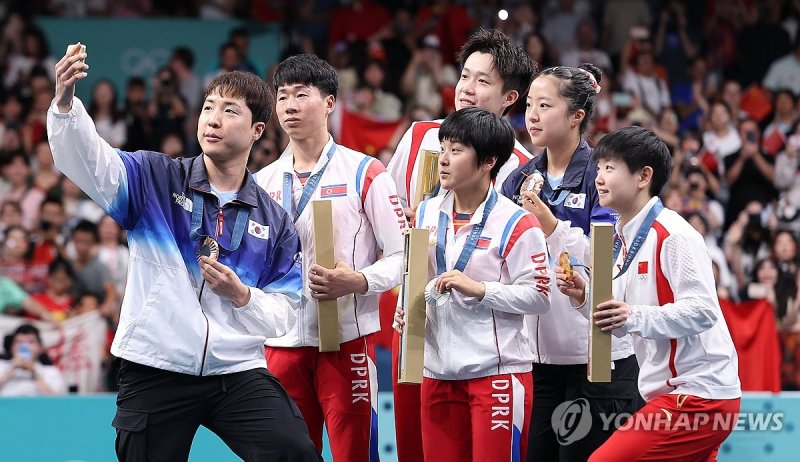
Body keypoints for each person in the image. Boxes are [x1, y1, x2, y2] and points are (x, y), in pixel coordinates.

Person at [47, 43, 320, 461]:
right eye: (209, 107)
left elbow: (285, 312)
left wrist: (242, 297)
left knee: (294, 451)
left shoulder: (275, 220)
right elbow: (90, 161)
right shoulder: (155, 178)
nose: (213, 118)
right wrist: (66, 105)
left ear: (257, 131)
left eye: (230, 111)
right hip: (156, 365)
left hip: (236, 370)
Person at [387, 28, 537, 461]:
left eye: (483, 81)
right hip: (418, 315)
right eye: (464, 76)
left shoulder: (522, 168)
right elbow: (391, 215)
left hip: (485, 336)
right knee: (416, 441)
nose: (468, 89)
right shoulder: (418, 137)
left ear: (510, 97)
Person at [254, 53, 406, 462]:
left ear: (329, 103)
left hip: (347, 343)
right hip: (279, 344)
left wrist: (356, 281)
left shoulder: (367, 172)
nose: (289, 105)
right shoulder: (260, 182)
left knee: (355, 454)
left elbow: (403, 257)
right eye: (282, 96)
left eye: (301, 95)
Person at [556, 126, 741, 461]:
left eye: (610, 168)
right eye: (598, 168)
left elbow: (702, 311)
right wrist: (583, 296)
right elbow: (615, 317)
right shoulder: (621, 239)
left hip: (698, 395)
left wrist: (632, 315)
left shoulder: (672, 235)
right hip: (669, 394)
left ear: (643, 176)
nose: (599, 177)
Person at [500, 64, 641, 462]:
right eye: (529, 105)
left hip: (597, 360)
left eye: (545, 105)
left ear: (577, 116)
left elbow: (611, 261)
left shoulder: (604, 175)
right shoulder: (518, 180)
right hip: (537, 362)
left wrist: (551, 225)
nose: (532, 115)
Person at [0, 324, 66, 396]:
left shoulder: (51, 371)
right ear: (11, 347)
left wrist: (34, 373)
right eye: (19, 342)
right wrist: (10, 370)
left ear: (41, 348)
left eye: (31, 342)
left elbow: (57, 402)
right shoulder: (1, 366)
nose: (24, 347)